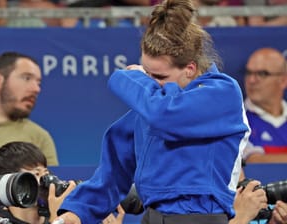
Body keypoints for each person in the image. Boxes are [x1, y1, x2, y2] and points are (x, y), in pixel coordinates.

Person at [55, 0, 250, 223]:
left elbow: (164, 116)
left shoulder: (222, 92)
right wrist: (77, 212)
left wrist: (128, 77)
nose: (150, 81)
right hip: (152, 217)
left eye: (159, 77)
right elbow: (112, 173)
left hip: (200, 217)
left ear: (190, 69)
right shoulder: (154, 105)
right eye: (146, 72)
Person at [0, 141, 125, 224]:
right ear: (8, 183)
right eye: (37, 174)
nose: (47, 180)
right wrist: (57, 220)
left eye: (46, 172)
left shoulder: (69, 216)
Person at [242, 47, 287, 163]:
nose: (251, 80)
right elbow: (253, 161)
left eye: (262, 74)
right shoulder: (237, 119)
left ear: (283, 80)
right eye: (248, 73)